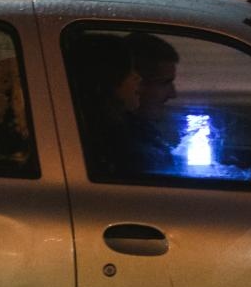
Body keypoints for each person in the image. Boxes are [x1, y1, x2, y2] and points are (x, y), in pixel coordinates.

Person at [68, 33, 143, 179]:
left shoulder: (130, 129)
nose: (138, 77)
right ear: (109, 77)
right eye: (129, 69)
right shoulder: (102, 142)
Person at [125, 31, 181, 173]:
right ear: (135, 84)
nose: (172, 94)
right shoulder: (129, 148)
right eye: (164, 83)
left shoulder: (144, 135)